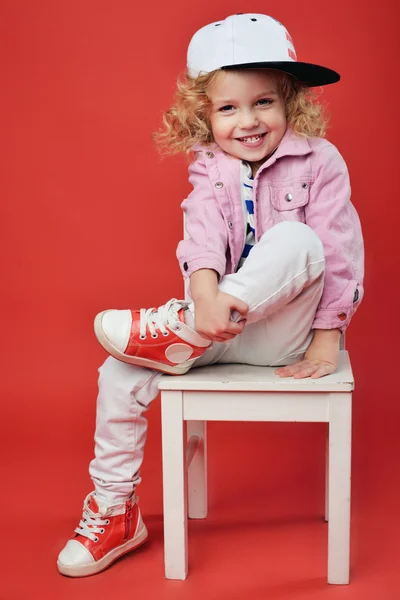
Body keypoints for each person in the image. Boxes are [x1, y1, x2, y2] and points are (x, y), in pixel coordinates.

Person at [57, 13, 364, 577]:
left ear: (290, 100)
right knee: (117, 374)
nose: (247, 121)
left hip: (286, 334)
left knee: (296, 238)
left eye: (263, 102)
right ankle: (116, 509)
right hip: (219, 326)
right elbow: (199, 242)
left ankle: (178, 331)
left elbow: (338, 259)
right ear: (203, 114)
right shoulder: (209, 168)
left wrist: (326, 343)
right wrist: (202, 302)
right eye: (228, 108)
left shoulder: (321, 160)